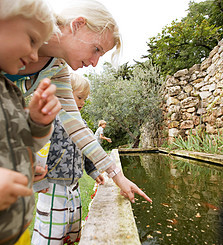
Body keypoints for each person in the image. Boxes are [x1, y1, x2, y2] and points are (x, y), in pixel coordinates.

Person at [6, 0, 152, 206]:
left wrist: (117, 176)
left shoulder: (57, 69)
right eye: (96, 49)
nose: (94, 62)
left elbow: (76, 125)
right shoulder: (18, 21)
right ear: (78, 25)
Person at [0, 1, 61, 245]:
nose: (36, 55)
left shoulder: (9, 88)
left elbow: (19, 141)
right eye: (32, 39)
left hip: (14, 233)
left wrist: (36, 122)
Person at [31, 73, 104, 245]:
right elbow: (36, 152)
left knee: (70, 229)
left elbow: (87, 149)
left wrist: (93, 171)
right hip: (52, 186)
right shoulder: (51, 120)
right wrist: (37, 183)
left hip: (72, 186)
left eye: (84, 99)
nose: (82, 102)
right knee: (54, 233)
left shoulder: (80, 122)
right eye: (80, 97)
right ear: (63, 93)